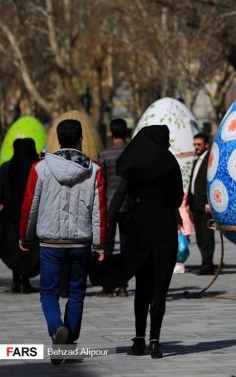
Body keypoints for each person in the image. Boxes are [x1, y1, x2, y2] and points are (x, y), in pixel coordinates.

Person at [19, 118, 106, 365]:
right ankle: (68, 344)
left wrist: (25, 236)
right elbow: (99, 210)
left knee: (48, 292)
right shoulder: (94, 170)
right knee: (77, 293)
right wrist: (100, 244)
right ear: (80, 139)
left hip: (50, 242)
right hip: (80, 243)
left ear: (58, 139)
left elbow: (30, 205)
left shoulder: (40, 168)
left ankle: (57, 328)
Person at [111, 125, 183, 359]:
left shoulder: (135, 163)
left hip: (140, 231)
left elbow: (120, 196)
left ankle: (139, 340)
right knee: (160, 289)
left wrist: (104, 227)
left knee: (142, 287)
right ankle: (155, 341)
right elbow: (177, 197)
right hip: (165, 231)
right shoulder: (171, 164)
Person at [0, 138, 40, 293]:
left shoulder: (6, 168)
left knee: (14, 250)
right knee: (29, 250)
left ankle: (17, 281)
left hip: (10, 219)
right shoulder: (36, 168)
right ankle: (24, 281)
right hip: (31, 217)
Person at [97, 118, 130, 297]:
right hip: (128, 205)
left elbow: (100, 182)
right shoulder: (132, 152)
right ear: (126, 132)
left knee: (107, 246)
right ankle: (123, 284)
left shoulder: (104, 154)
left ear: (111, 132)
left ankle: (108, 285)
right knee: (126, 245)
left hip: (109, 205)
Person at [187, 133, 216, 275]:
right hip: (195, 204)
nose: (196, 147)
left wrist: (208, 202)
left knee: (207, 236)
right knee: (199, 236)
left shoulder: (210, 160)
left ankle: (208, 264)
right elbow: (193, 182)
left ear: (206, 145)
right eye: (195, 144)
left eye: (199, 145)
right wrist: (188, 203)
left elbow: (211, 182)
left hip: (204, 205)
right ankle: (205, 262)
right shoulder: (196, 160)